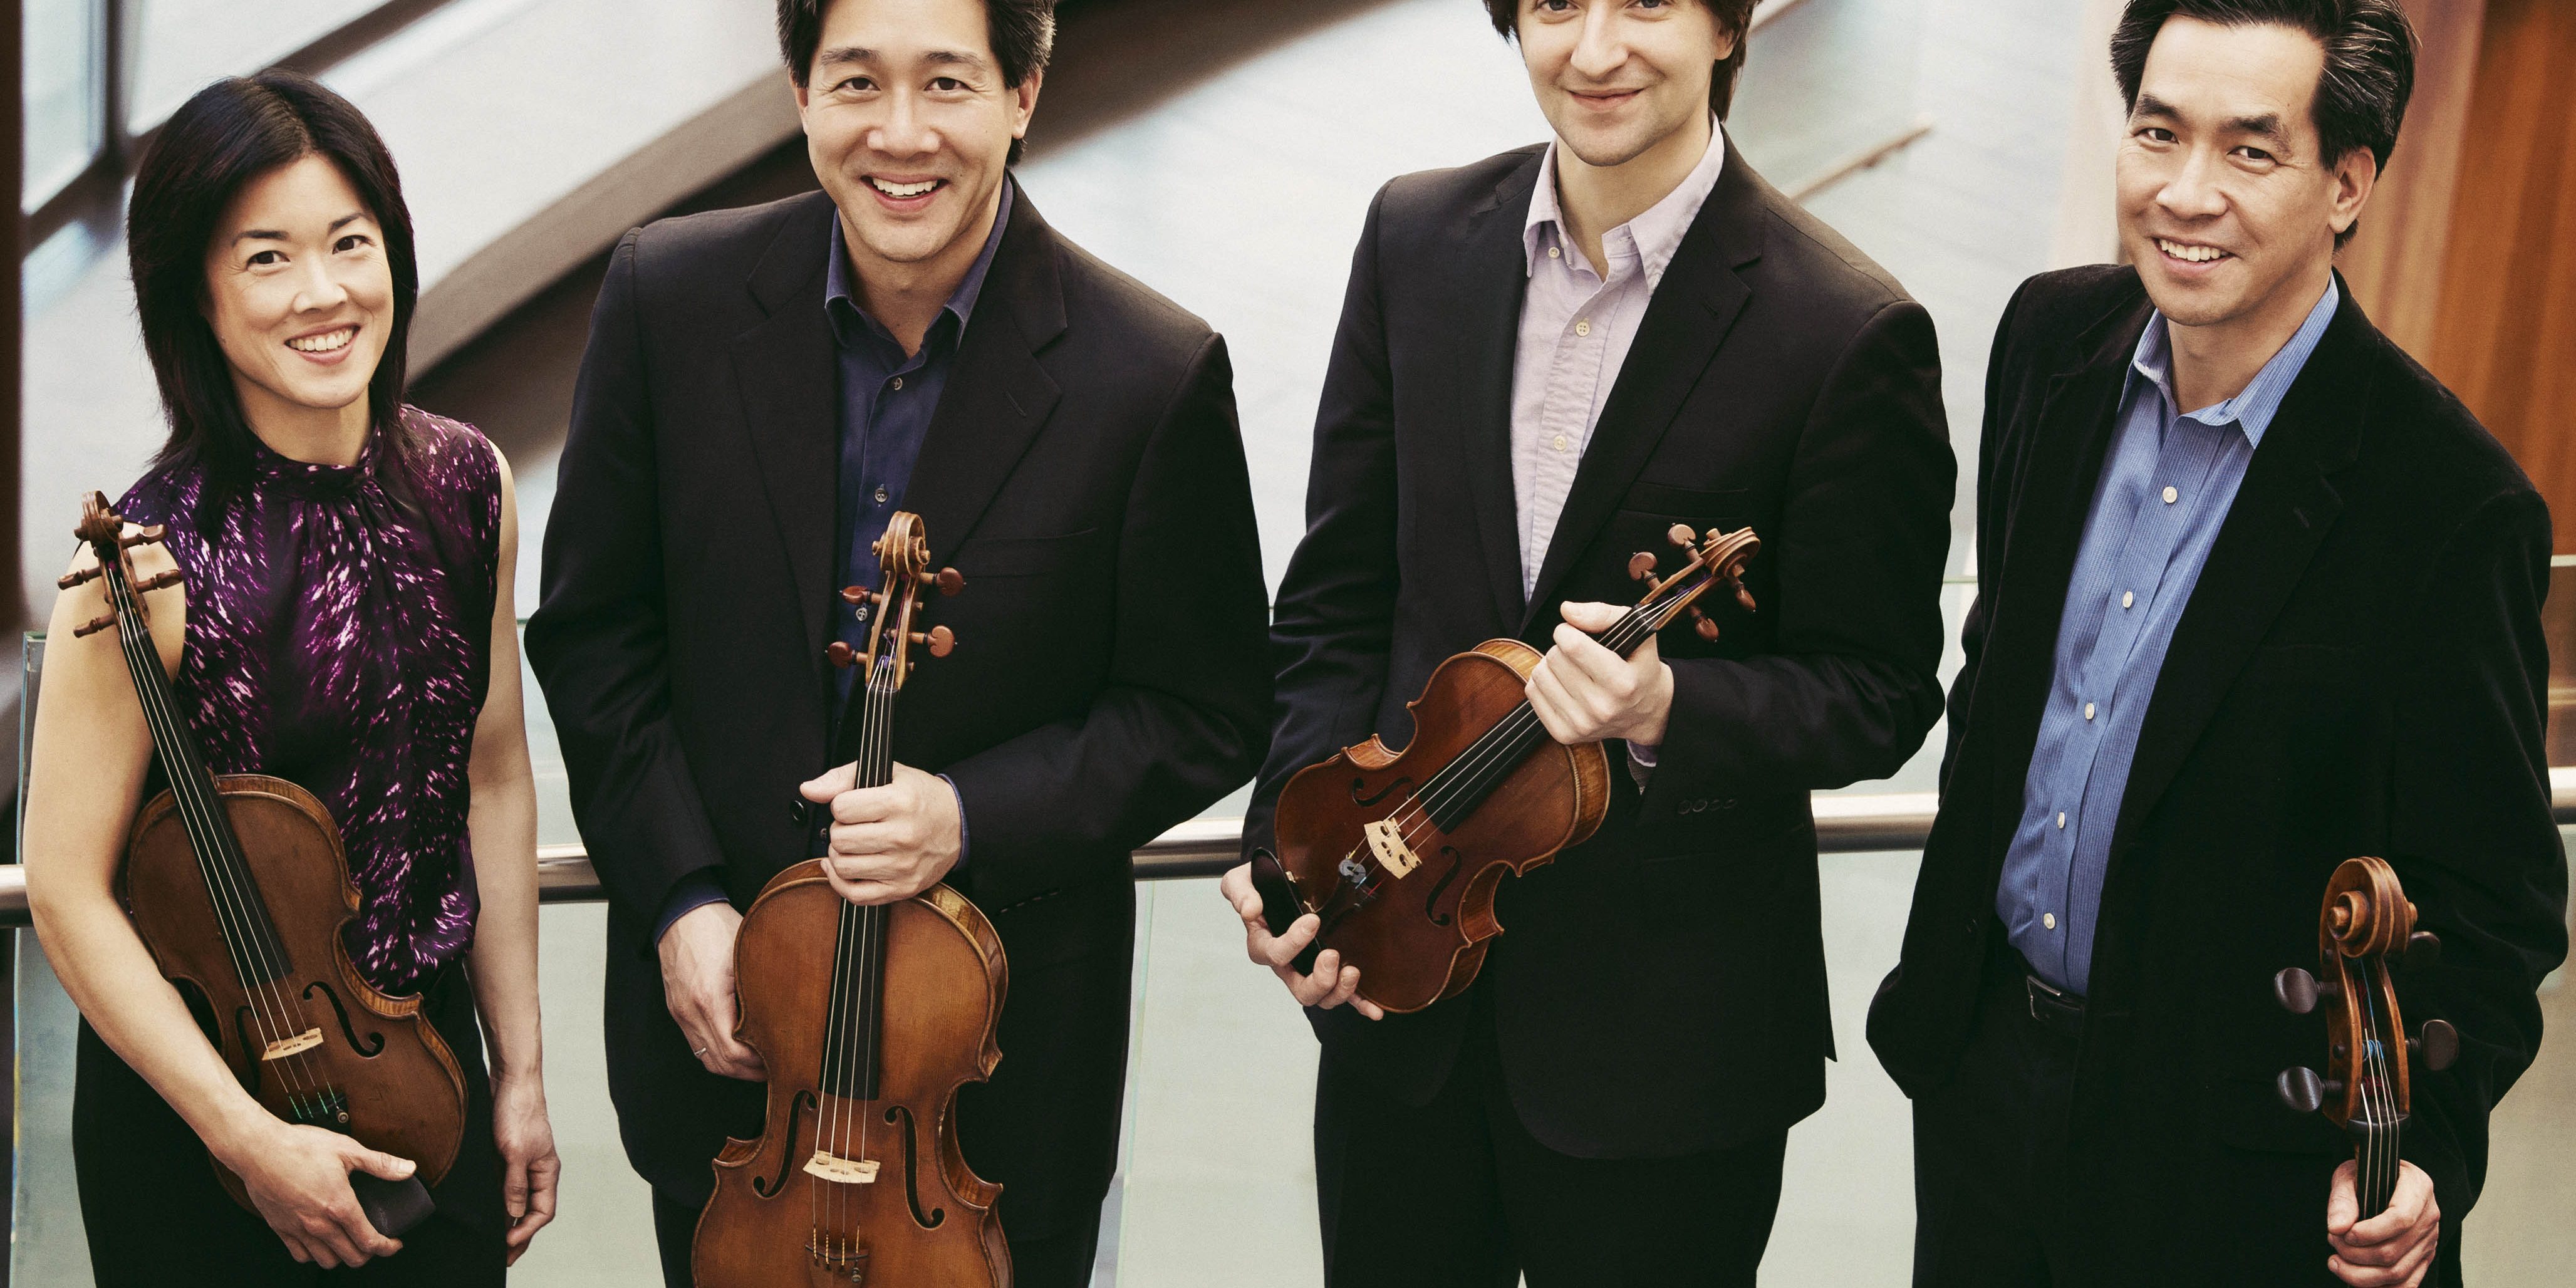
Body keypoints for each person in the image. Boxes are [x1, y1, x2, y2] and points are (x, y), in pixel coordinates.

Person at [523, 0, 1271, 1282]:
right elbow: (597, 635)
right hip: (730, 1084)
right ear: (801, 91)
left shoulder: (1150, 372)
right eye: (858, 83)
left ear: (1024, 94)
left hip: (993, 1092)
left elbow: (1204, 705)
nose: (901, 134)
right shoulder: (667, 298)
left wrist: (967, 813)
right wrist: (685, 900)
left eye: (949, 84)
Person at [1218, 1, 1955, 1281]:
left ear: (1732, 26)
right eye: (1556, 3)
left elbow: (1879, 688)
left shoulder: (1845, 330)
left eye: (1647, 3)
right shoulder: (1414, 238)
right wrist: (1295, 841)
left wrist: (1668, 709)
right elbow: (1338, 593)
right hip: (1402, 1010)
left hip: (1665, 1056)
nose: (1594, 48)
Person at [1865, 3, 2568, 1285]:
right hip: (1982, 1090)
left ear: (2345, 183)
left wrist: (2427, 1153)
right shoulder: (2046, 341)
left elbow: (2498, 905)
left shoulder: (2448, 507)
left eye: (2250, 151)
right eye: (2157, 134)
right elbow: (2004, 677)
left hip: (2231, 1153)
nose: (2184, 195)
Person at [21, 71, 559, 1284]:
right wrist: (247, 1136)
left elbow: (491, 771)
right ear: (196, 299)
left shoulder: (470, 483)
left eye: (350, 243)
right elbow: (64, 888)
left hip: (429, 1080)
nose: (324, 294)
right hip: (205, 1124)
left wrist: (521, 1068)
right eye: (266, 259)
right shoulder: (144, 560)